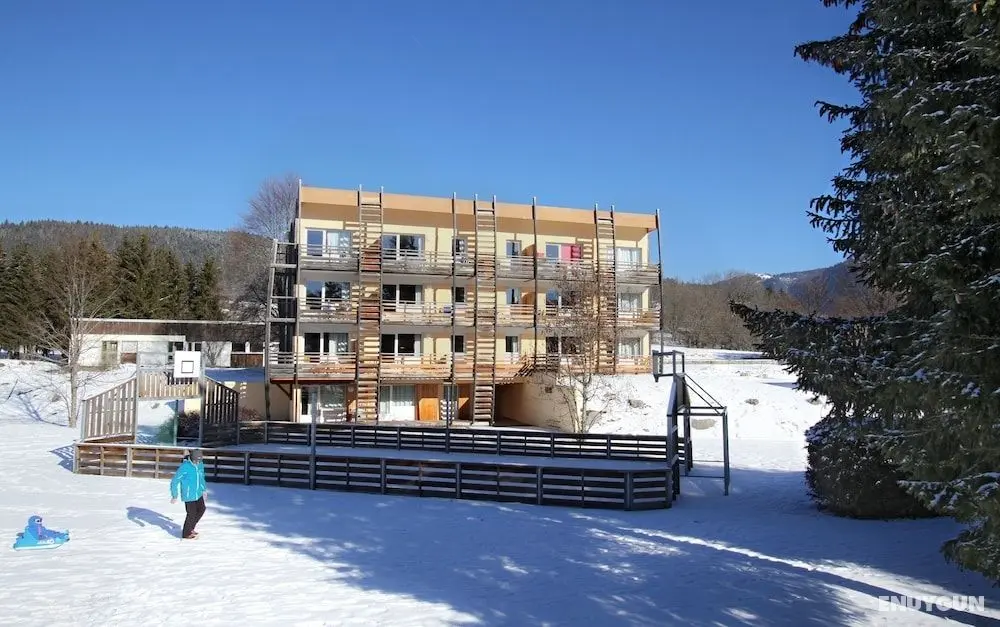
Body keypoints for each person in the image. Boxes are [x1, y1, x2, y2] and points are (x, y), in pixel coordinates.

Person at [170, 449, 207, 539]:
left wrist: (204, 490)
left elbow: (201, 477)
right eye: (195, 461)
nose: (197, 463)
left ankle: (190, 528)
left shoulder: (200, 464)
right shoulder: (185, 466)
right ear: (191, 458)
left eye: (199, 461)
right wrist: (174, 495)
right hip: (188, 494)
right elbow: (175, 481)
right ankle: (186, 533)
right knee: (191, 513)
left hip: (198, 493)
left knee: (202, 509)